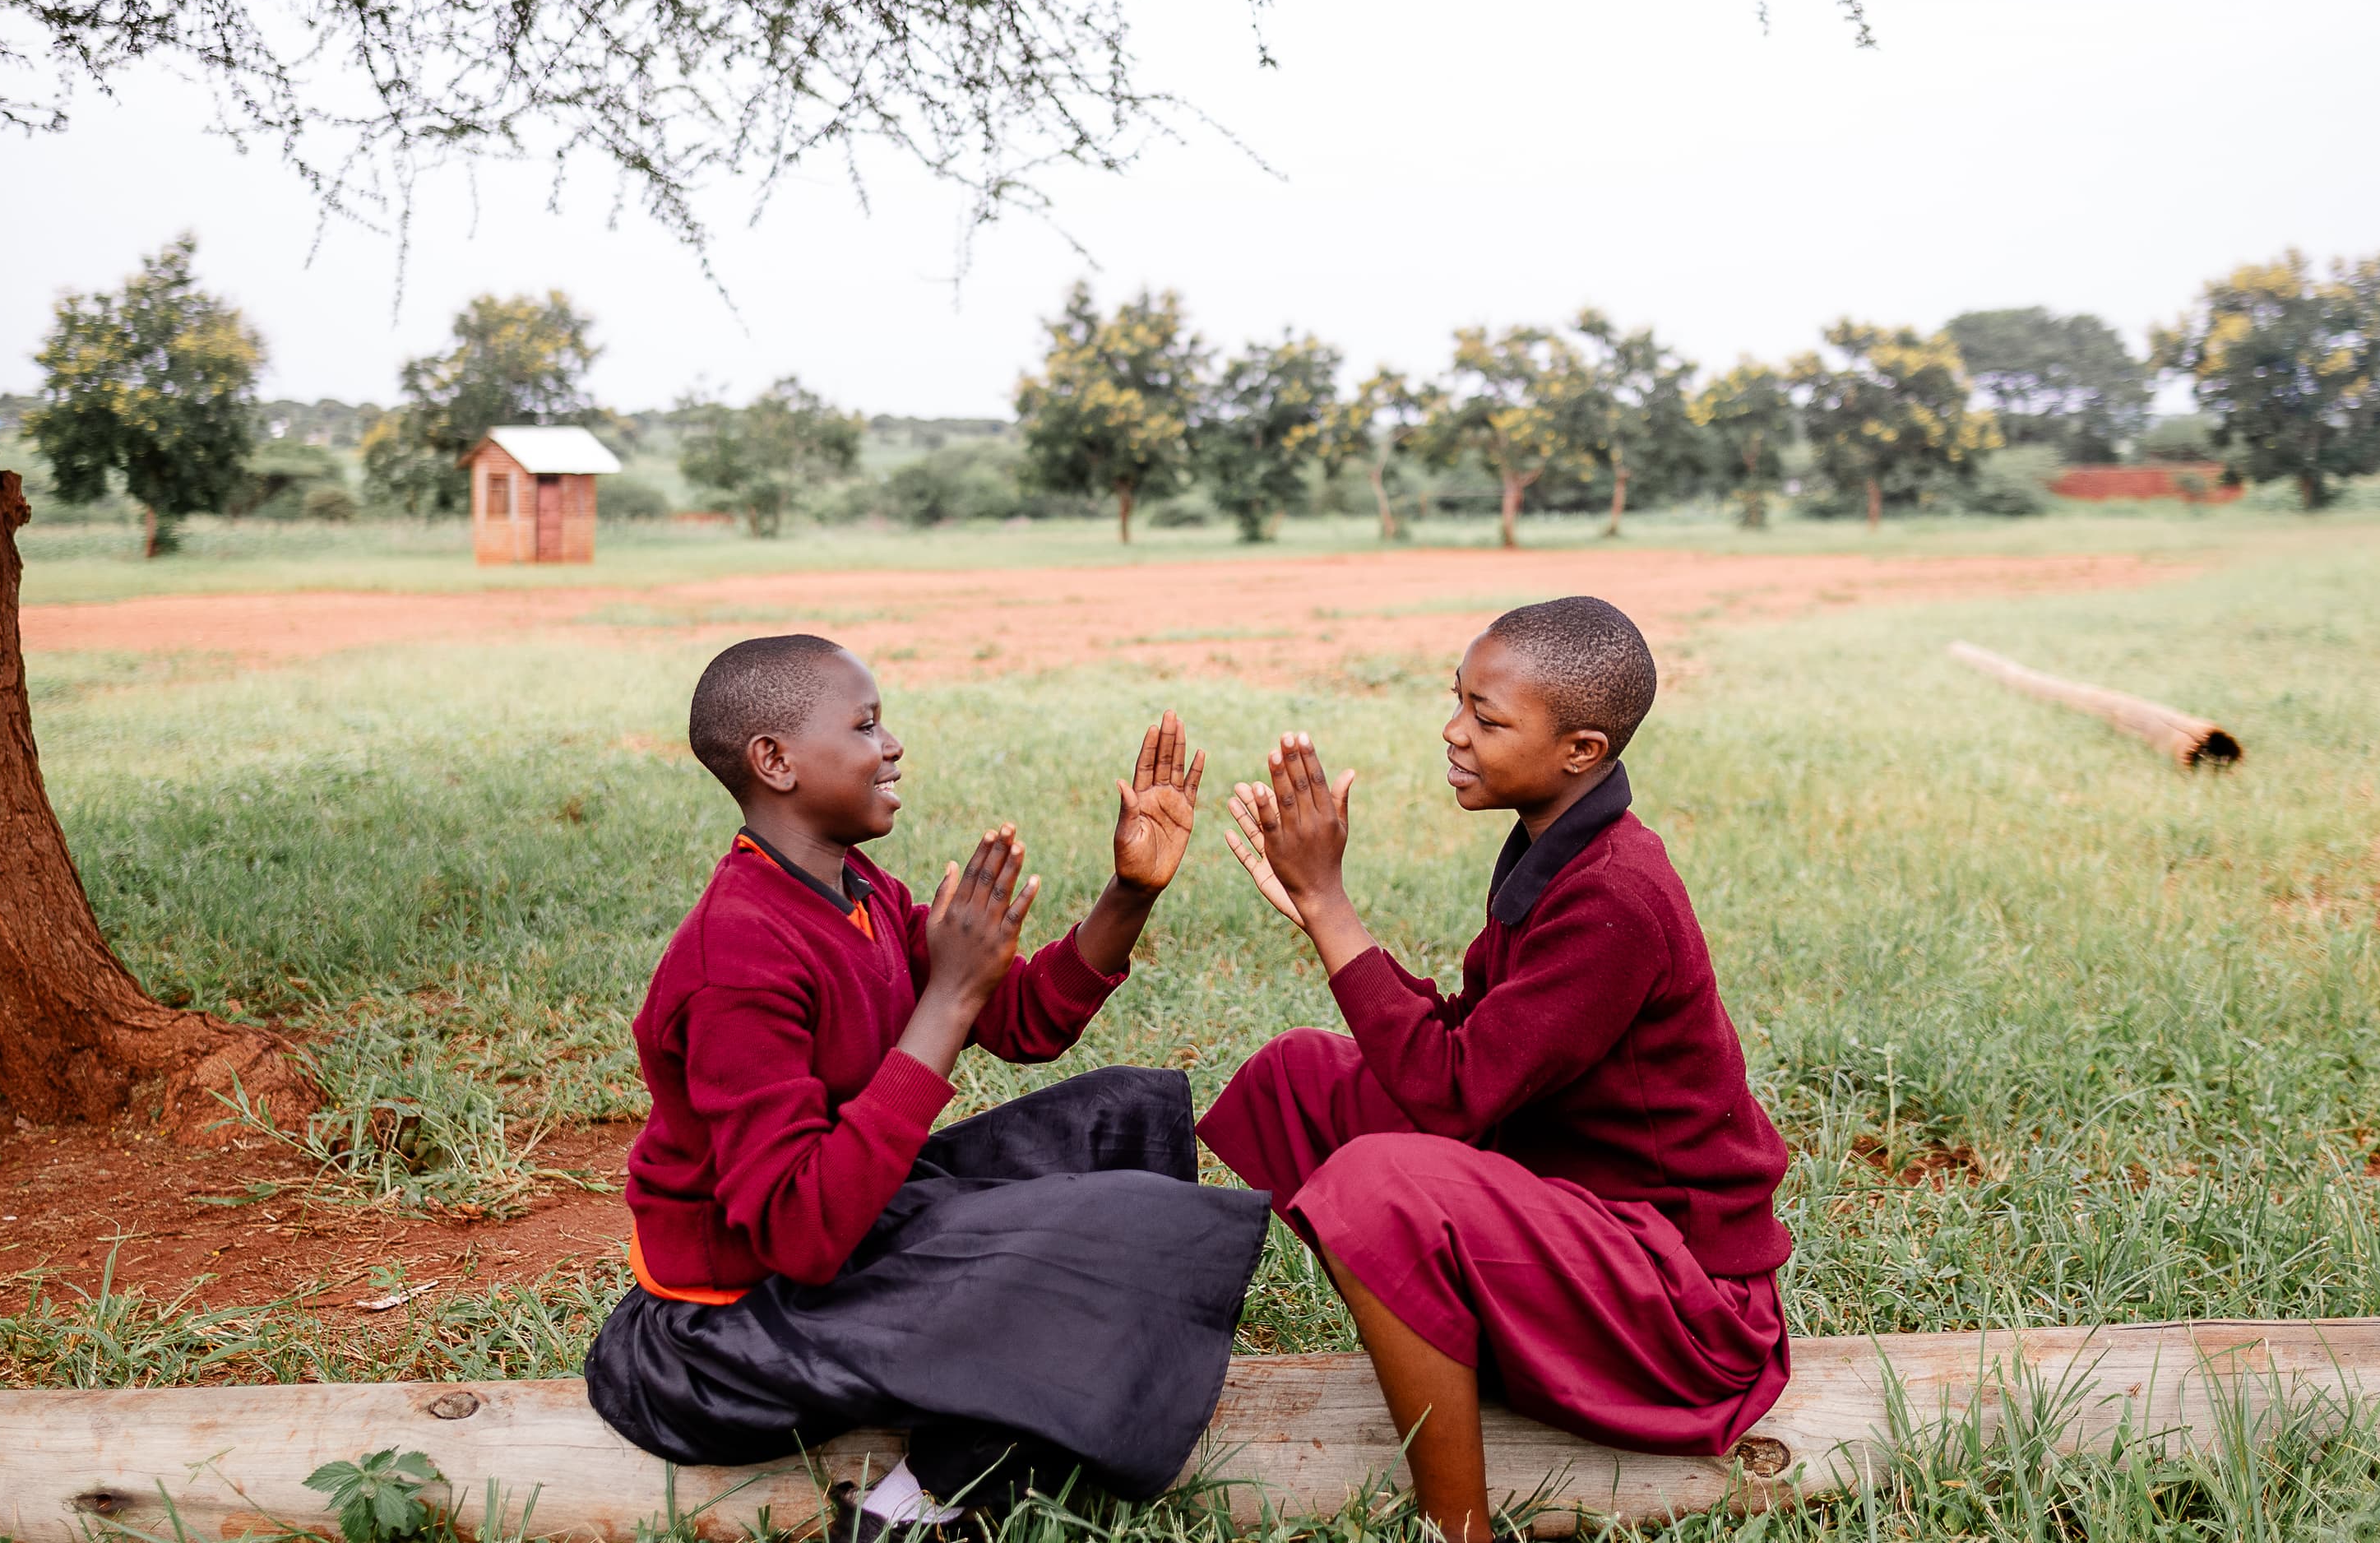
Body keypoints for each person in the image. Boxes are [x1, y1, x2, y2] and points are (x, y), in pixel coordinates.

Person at [587, 632, 1271, 1536]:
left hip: (846, 1226)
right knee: (1095, 1229)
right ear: (775, 761)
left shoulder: (856, 889)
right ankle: (911, 1508)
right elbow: (800, 1230)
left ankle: (992, 1418)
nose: (893, 744)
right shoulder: (737, 952)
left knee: (1122, 1118)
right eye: (867, 724)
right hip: (723, 1343)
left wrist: (1128, 893)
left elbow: (1024, 1021)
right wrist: (945, 998)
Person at [1201, 596, 1792, 1543]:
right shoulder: (1555, 853)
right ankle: (1452, 1339)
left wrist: (1331, 906)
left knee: (1375, 1182)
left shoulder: (1618, 894)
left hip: (1688, 1318)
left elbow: (1452, 1094)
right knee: (1299, 1077)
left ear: (1581, 750)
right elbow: (1465, 1057)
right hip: (1592, 1233)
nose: (1454, 732)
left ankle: (1459, 1528)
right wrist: (1324, 915)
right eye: (1457, 701)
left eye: (1488, 717)